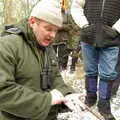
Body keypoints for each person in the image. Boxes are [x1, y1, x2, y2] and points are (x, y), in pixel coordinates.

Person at [0, 0, 80, 120]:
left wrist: (67, 94)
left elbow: (55, 78)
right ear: (32, 22)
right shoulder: (7, 45)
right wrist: (47, 100)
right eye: (48, 29)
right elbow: (3, 92)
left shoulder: (47, 47)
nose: (53, 35)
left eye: (56, 30)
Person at [71, 0, 120, 120]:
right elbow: (76, 6)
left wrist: (116, 29)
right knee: (90, 70)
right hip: (88, 37)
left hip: (112, 39)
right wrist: (84, 25)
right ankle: (90, 97)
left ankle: (104, 105)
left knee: (108, 74)